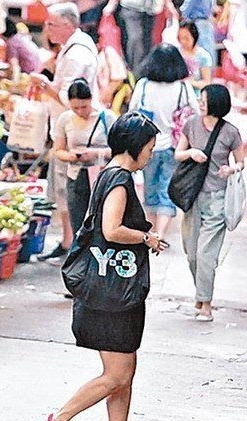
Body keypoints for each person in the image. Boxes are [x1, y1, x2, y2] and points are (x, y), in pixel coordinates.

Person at [34, 111, 165, 421]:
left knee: (125, 371)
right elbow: (110, 229)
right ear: (136, 147)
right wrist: (145, 237)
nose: (152, 154)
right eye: (150, 148)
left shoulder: (111, 174)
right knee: (117, 375)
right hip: (111, 293)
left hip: (115, 290)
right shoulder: (120, 180)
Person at [29, 2, 99, 261]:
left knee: (68, 188)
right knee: (68, 188)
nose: (47, 29)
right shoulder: (74, 47)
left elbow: (69, 98)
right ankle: (70, 239)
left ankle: (72, 242)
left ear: (69, 26)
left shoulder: (75, 55)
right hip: (71, 127)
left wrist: (45, 85)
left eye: (52, 24)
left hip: (72, 130)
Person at [174, 84, 244, 322]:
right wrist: (192, 152)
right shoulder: (191, 125)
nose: (199, 103)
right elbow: (178, 153)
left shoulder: (231, 132)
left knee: (206, 254)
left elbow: (241, 162)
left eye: (203, 99)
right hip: (192, 196)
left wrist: (230, 169)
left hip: (218, 197)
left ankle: (206, 303)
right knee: (191, 252)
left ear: (215, 103)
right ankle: (200, 293)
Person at [129, 43, 199, 240]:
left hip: (146, 146)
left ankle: (150, 232)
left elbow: (132, 111)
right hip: (174, 146)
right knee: (166, 188)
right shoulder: (183, 87)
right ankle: (160, 233)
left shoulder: (143, 85)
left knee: (150, 188)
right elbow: (195, 113)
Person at [54, 78, 117, 233]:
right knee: (78, 223)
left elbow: (119, 150)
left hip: (101, 175)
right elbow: (59, 150)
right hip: (76, 176)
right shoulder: (65, 119)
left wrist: (96, 154)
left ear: (90, 100)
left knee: (101, 222)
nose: (80, 111)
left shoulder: (107, 117)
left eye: (84, 106)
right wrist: (72, 156)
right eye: (75, 108)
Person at [179, 0, 217, 70]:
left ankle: (200, 75)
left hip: (197, 22)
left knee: (199, 51)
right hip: (207, 21)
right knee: (209, 50)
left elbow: (187, 7)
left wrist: (183, 14)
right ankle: (209, 74)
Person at [178, 21, 213, 95]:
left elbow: (206, 82)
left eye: (186, 38)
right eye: (180, 38)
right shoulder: (176, 53)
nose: (183, 41)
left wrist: (191, 83)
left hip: (196, 96)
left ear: (194, 36)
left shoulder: (203, 56)